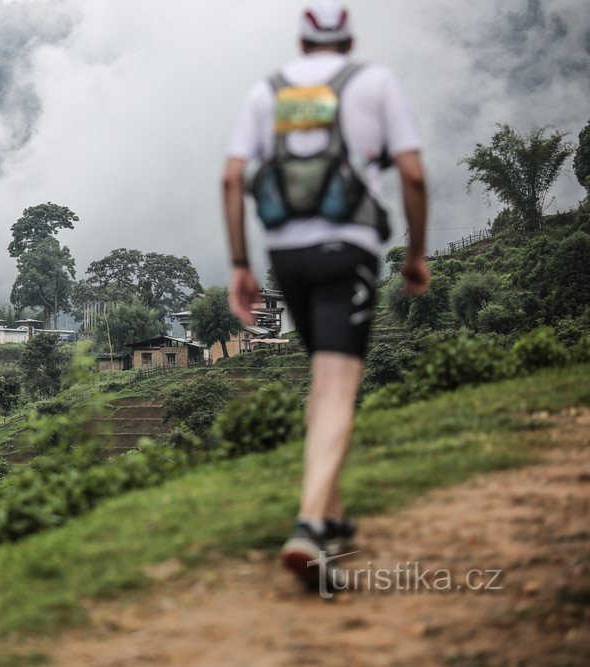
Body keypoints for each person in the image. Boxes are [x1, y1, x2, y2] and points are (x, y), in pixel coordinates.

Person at [221, 0, 430, 586]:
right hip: (349, 253)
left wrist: (240, 262)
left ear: (303, 40)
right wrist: (415, 256)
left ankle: (333, 520)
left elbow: (232, 177)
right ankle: (310, 524)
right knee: (339, 385)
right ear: (349, 38)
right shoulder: (374, 83)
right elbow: (412, 174)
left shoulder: (267, 93)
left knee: (323, 379)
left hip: (285, 257)